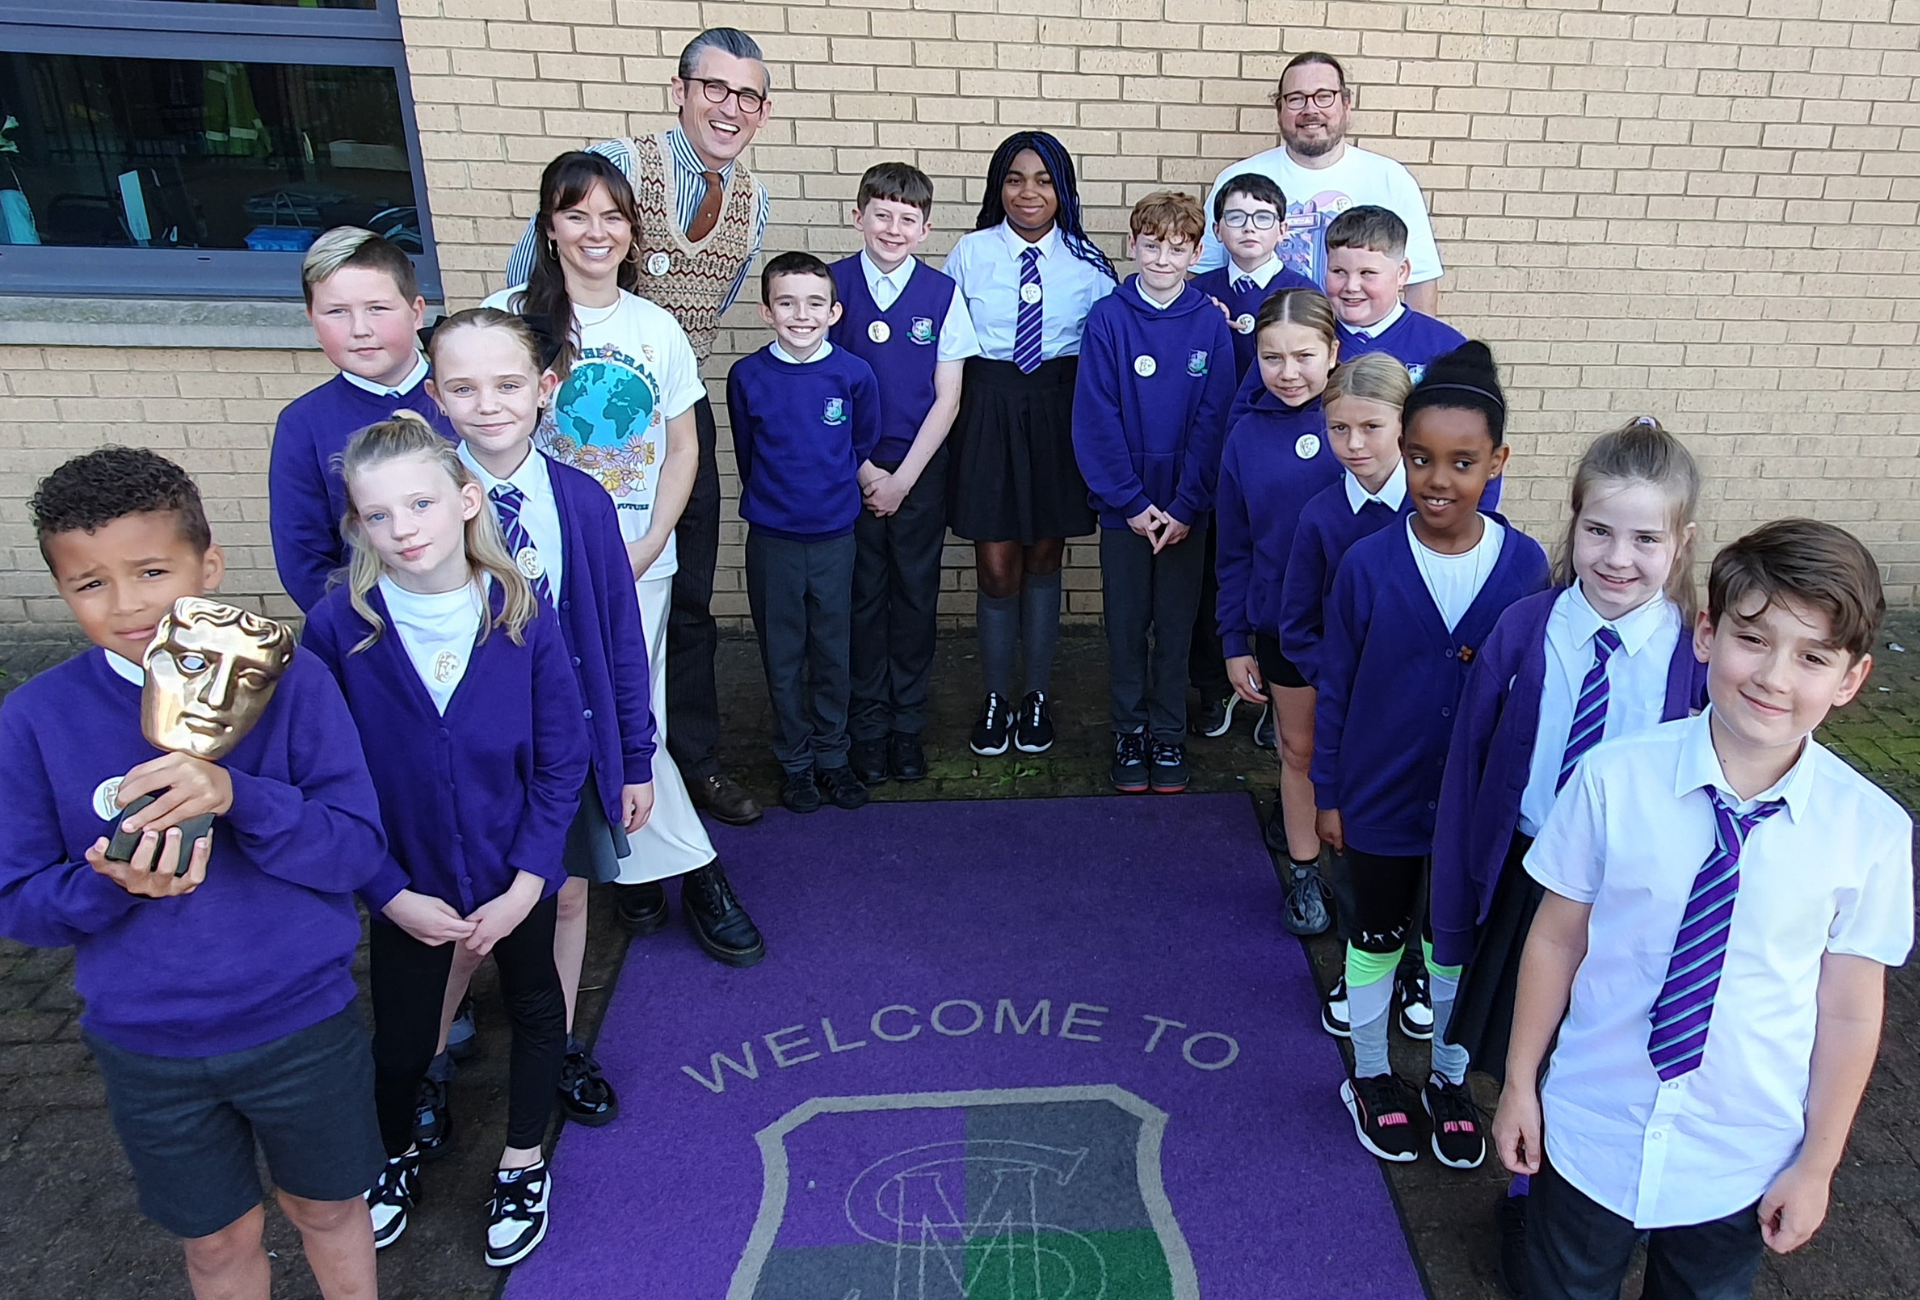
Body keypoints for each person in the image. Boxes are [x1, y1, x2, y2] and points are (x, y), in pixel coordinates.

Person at [1, 447, 387, 1300]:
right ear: (62, 590)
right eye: (89, 584)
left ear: (207, 564)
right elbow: (20, 904)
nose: (128, 604)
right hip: (148, 1042)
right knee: (216, 1242)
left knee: (326, 1210)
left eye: (150, 572)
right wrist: (107, 886)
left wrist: (237, 793)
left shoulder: (292, 686)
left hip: (298, 1021)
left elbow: (357, 850)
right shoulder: (34, 720)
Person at [1492, 519, 1912, 1300]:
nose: (1775, 678)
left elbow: (1852, 1013)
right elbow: (1556, 938)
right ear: (1707, 634)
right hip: (1592, 1124)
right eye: (1753, 640)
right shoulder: (1613, 779)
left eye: (1813, 657)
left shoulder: (1872, 834)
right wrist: (1521, 1081)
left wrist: (1817, 1164)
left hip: (1739, 1154)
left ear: (1850, 680)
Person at [302, 413, 589, 1267]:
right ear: (357, 525)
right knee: (398, 1044)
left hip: (515, 878)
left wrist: (530, 882)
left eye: (421, 504)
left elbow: (560, 760)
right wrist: (386, 891)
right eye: (379, 515)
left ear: (467, 500)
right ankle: (395, 1151)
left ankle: (523, 1157)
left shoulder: (520, 612)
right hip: (407, 885)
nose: (404, 530)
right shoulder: (339, 629)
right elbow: (326, 780)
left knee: (539, 1011)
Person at [1432, 416, 1707, 1294]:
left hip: (1634, 892)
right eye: (1598, 531)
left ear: (1683, 543)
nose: (1617, 558)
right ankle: (1528, 1187)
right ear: (1572, 524)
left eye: (1645, 538)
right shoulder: (1524, 628)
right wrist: (1453, 899)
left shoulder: (1698, 653)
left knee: (1607, 1041)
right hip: (1530, 871)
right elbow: (1470, 771)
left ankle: (1596, 1186)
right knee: (1532, 1038)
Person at [487, 150, 764, 968]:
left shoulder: (654, 327)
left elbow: (684, 448)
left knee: (633, 718)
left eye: (612, 216)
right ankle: (689, 871)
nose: (595, 232)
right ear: (549, 227)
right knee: (568, 722)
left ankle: (633, 864)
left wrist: (646, 546)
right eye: (577, 215)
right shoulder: (508, 318)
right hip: (529, 574)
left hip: (636, 564)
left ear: (632, 231)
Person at [405, 308, 657, 1157]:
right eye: (464, 388)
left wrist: (635, 755)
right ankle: (425, 1060)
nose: (489, 404)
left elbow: (618, 637)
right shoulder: (420, 502)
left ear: (546, 389)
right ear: (436, 396)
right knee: (463, 918)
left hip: (567, 746)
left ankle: (556, 1045)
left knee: (570, 894)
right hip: (468, 758)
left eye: (508, 384)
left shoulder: (582, 502)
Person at [505, 27, 772, 827]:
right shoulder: (612, 165)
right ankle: (570, 769)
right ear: (680, 90)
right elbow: (529, 283)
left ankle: (686, 763)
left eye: (748, 96)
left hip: (675, 408)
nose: (730, 108)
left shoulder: (753, 200)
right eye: (715, 89)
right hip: (580, 421)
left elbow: (708, 315)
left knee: (684, 599)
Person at [1311, 342, 1551, 1165]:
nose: (1437, 480)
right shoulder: (1367, 564)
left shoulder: (1525, 569)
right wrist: (1328, 792)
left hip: (1474, 810)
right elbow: (1335, 686)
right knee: (1374, 938)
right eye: (1420, 459)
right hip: (1377, 798)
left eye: (1462, 462)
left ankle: (1448, 1077)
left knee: (1455, 945)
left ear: (1498, 463)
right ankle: (1373, 1076)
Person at [944, 130, 1118, 757]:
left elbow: (1108, 351)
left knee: (1045, 554)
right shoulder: (969, 252)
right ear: (998, 186)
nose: (1028, 192)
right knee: (995, 563)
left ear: (1063, 189)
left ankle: (1036, 695)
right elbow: (950, 347)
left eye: (1044, 180)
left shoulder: (1089, 263)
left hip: (1057, 409)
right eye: (1015, 179)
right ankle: (996, 697)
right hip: (987, 407)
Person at [1071, 190, 1234, 794]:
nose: (1162, 258)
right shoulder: (1109, 319)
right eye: (1151, 244)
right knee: (1126, 623)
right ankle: (1129, 731)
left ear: (1195, 252)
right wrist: (1132, 502)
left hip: (1187, 510)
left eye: (1177, 247)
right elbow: (1096, 417)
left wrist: (1188, 504)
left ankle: (1167, 735)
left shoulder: (1209, 324)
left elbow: (1214, 419)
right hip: (1127, 511)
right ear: (1132, 245)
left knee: (1175, 623)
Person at [828, 162, 980, 786]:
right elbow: (822, 385)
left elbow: (948, 397)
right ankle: (866, 727)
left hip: (918, 469)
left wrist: (902, 479)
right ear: (857, 215)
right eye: (881, 214)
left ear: (925, 229)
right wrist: (867, 473)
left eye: (907, 219)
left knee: (916, 597)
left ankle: (907, 725)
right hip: (848, 470)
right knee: (862, 600)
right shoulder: (829, 285)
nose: (893, 228)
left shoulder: (942, 294)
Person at [728, 252, 885, 813]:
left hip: (836, 537)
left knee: (832, 651)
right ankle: (794, 762)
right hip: (774, 539)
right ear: (767, 311)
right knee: (784, 653)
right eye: (787, 303)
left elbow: (860, 442)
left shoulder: (852, 374)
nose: (801, 314)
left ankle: (833, 757)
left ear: (834, 311)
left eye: (815, 303)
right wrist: (776, 504)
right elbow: (749, 453)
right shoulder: (747, 376)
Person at [1214, 288, 1344, 933]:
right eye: (1271, 358)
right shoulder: (1244, 435)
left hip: (1359, 629)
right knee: (1298, 750)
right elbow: (1234, 546)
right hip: (1280, 625)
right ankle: (1304, 873)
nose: (1288, 372)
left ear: (1333, 353)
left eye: (1303, 356)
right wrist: (1234, 638)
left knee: (1358, 752)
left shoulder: (1361, 425)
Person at [1186, 172, 1317, 740]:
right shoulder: (1197, 289)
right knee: (1217, 575)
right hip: (1211, 456)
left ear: (1282, 230)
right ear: (1218, 229)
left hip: (1277, 462)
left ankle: (1274, 700)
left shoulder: (1303, 293)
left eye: (1262, 217)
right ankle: (1214, 685)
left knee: (1274, 575)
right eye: (1236, 217)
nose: (1248, 228)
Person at [270, 226, 452, 613]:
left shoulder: (469, 396)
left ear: (416, 311)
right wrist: (362, 627)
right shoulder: (303, 424)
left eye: (377, 309)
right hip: (371, 630)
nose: (360, 330)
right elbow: (303, 557)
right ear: (312, 319)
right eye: (337, 312)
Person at [1197, 51, 1443, 316]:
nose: (1310, 110)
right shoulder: (1237, 180)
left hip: (1359, 348)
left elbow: (1421, 280)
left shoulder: (1390, 180)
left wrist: (1421, 354)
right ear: (1279, 109)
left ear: (1346, 104)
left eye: (1324, 96)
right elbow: (1203, 274)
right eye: (1296, 99)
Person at [1325, 205, 1467, 384]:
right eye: (1338, 271)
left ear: (1401, 273)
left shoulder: (1446, 348)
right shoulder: (1306, 340)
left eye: (1367, 273)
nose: (1351, 286)